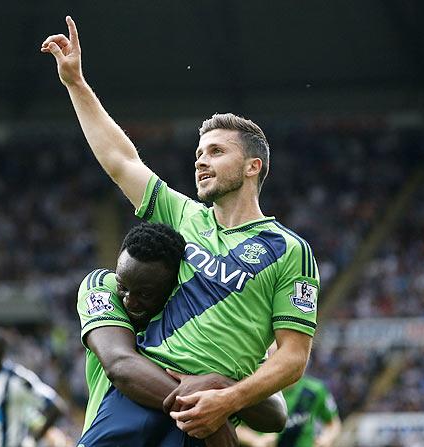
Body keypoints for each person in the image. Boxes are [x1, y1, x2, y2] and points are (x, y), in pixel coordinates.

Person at [41, 16, 320, 439]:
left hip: (207, 414)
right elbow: (122, 162)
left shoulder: (289, 250)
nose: (200, 160)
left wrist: (229, 401)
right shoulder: (182, 216)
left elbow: (292, 359)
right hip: (141, 393)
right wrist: (76, 83)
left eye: (216, 151)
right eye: (198, 152)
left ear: (252, 166)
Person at [78, 222, 287, 447]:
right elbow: (120, 365)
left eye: (145, 293)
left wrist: (222, 389)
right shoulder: (103, 286)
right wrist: (204, 414)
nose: (129, 300)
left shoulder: (221, 332)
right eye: (123, 286)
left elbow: (276, 415)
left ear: (173, 286)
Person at [236, 375, 341, 447]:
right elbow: (232, 425)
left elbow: (333, 423)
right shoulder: (254, 388)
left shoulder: (315, 390)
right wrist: (255, 440)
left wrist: (326, 439)